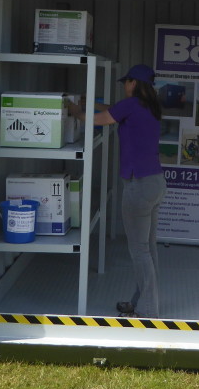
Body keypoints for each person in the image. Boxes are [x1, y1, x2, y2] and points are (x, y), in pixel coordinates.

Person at [68, 64, 166, 319]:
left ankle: (148, 311)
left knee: (139, 250)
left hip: (139, 186)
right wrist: (92, 102)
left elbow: (99, 119)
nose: (124, 86)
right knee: (148, 248)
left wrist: (74, 110)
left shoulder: (131, 106)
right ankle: (141, 302)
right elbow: (113, 109)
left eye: (126, 82)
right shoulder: (150, 107)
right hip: (156, 182)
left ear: (134, 83)